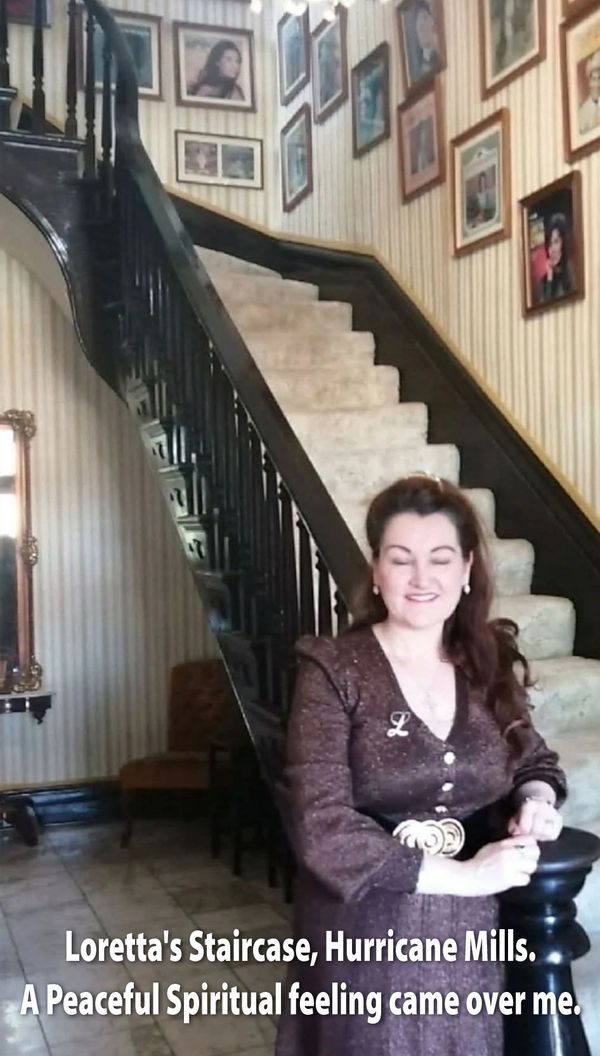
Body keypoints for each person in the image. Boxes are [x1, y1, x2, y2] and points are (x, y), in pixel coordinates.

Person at [275, 475, 566, 1056]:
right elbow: (322, 827)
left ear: (466, 570)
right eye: (401, 559)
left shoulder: (484, 664)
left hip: (473, 932)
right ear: (377, 572)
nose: (421, 578)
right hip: (366, 931)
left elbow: (534, 759)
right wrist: (467, 877)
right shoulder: (333, 670)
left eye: (440, 559)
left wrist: (536, 799)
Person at [536, 213, 573, 303]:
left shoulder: (571, 271)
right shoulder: (543, 281)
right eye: (550, 243)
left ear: (564, 243)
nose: (552, 249)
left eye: (556, 241)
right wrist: (550, 278)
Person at [410, 0, 441, 82]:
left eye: (424, 18)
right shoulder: (421, 66)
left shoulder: (440, 54)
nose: (421, 26)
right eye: (418, 23)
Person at [577, 50, 600, 136]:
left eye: (599, 78)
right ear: (589, 82)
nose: (597, 84)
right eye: (594, 79)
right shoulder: (582, 112)